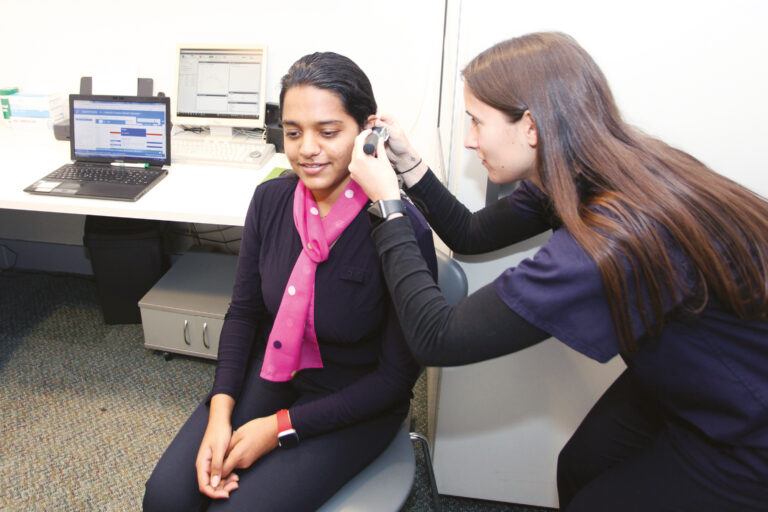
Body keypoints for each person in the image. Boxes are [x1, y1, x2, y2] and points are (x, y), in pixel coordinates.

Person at [348, 31, 768, 511]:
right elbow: (470, 234)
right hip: (683, 373)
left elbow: (436, 337)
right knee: (580, 466)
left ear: (530, 126)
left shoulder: (610, 239)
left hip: (746, 426)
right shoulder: (579, 170)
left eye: (477, 122)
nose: (468, 140)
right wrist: (409, 165)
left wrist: (388, 208)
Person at [143, 52, 436, 512]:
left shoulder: (400, 230)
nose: (307, 149)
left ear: (367, 133)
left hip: (356, 398)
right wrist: (220, 412)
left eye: (328, 132)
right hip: (276, 371)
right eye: (294, 132)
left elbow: (395, 380)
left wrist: (277, 428)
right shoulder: (270, 200)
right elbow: (243, 314)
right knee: (166, 500)